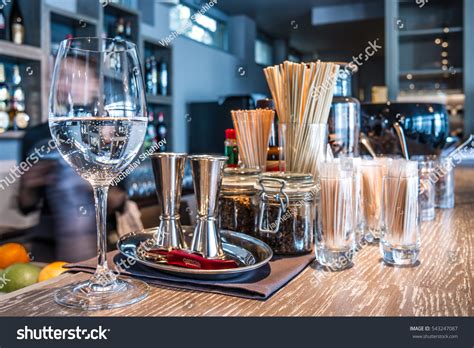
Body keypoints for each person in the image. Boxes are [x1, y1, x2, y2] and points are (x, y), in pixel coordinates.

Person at [18, 123, 127, 262]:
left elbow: (119, 201)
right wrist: (29, 184)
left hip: (101, 243)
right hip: (48, 248)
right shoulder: (36, 136)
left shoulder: (106, 130)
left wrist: (95, 181)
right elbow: (25, 205)